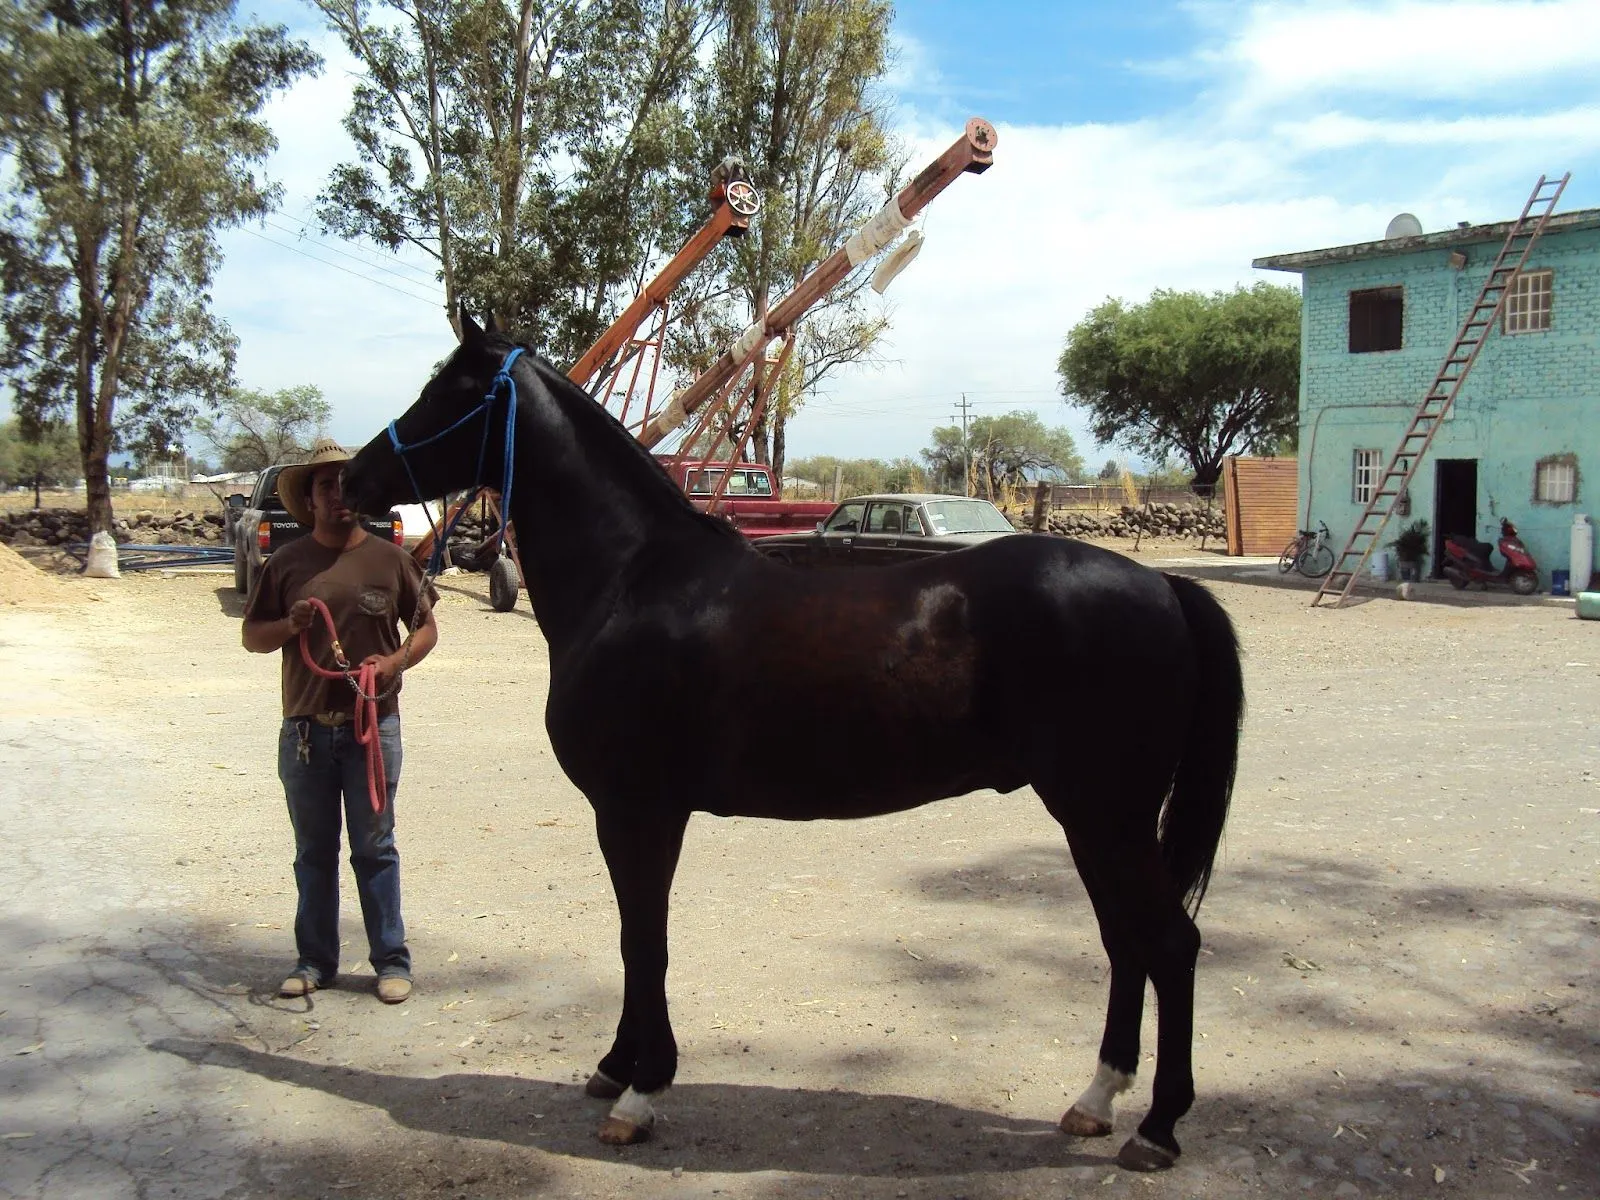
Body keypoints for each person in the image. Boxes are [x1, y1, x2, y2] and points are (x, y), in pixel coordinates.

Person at [242, 438, 439, 1004]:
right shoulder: (286, 564)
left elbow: (426, 629)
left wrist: (393, 662)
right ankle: (314, 962)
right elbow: (252, 637)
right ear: (309, 498)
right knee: (313, 851)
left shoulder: (391, 560)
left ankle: (391, 962)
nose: (337, 495)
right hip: (305, 731)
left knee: (375, 848)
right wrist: (289, 625)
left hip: (373, 728)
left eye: (346, 484)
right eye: (325, 485)